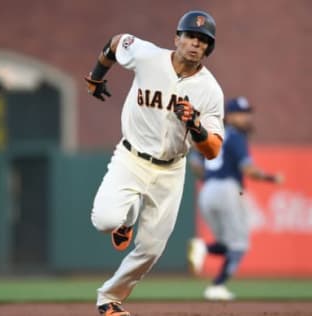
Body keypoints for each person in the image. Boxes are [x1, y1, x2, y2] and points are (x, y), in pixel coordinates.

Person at [84, 11, 224, 316]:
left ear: (208, 50)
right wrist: (96, 76)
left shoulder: (210, 90)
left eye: (203, 41)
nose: (195, 44)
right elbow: (116, 42)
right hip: (131, 157)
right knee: (104, 221)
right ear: (177, 38)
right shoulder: (148, 56)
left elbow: (213, 149)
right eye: (190, 36)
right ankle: (126, 220)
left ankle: (109, 299)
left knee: (151, 249)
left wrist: (196, 127)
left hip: (171, 169)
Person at [187, 96, 284, 301]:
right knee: (240, 245)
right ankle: (217, 286)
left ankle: (203, 247)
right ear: (229, 117)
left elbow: (195, 162)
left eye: (247, 113)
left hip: (207, 191)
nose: (246, 117)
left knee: (226, 244)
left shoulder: (213, 135)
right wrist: (271, 177)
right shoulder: (236, 136)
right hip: (228, 189)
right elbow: (248, 170)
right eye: (241, 113)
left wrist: (210, 179)